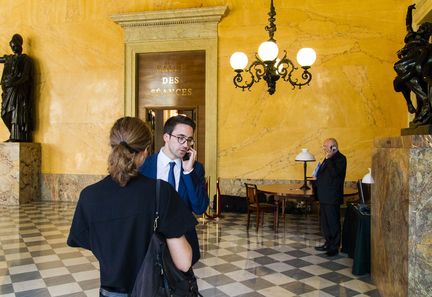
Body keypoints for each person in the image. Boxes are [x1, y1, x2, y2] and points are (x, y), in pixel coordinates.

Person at [67, 117, 197, 297]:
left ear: (112, 147)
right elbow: (184, 262)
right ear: (145, 151)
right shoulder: (161, 193)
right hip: (150, 289)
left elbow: (93, 242)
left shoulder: (89, 196)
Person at [139, 114, 209, 265]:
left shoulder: (195, 168)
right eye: (181, 138)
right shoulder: (144, 165)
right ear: (166, 137)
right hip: (147, 242)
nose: (185, 144)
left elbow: (199, 207)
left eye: (189, 140)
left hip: (182, 243)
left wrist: (188, 172)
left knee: (182, 287)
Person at [393, 4, 432, 126]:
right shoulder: (412, 35)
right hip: (409, 60)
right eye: (421, 26)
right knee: (397, 83)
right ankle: (411, 102)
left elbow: (425, 51)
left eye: (424, 28)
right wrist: (409, 10)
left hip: (415, 59)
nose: (421, 28)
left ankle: (423, 101)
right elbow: (408, 23)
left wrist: (419, 63)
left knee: (398, 68)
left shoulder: (424, 43)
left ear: (428, 33)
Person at [313, 138, 347, 257]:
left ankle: (334, 247)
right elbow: (324, 173)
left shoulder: (340, 159)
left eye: (325, 146)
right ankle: (328, 243)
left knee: (333, 223)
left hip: (332, 197)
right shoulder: (328, 158)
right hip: (324, 196)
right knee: (325, 223)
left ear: (333, 147)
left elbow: (335, 173)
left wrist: (330, 158)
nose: (323, 148)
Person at [0, 34, 34, 142]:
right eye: (12, 46)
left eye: (15, 45)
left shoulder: (26, 59)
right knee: (5, 114)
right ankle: (12, 134)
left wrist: (14, 83)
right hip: (9, 91)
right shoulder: (9, 58)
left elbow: (25, 77)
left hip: (19, 91)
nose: (14, 48)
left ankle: (17, 137)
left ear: (20, 44)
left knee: (17, 114)